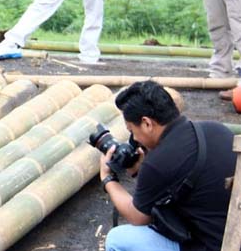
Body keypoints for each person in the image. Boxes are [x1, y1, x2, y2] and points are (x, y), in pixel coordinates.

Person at [100, 81, 235, 251]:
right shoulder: (217, 129)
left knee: (116, 239)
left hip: (209, 245)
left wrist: (108, 179)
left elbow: (138, 217)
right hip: (233, 234)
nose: (135, 139)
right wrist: (140, 172)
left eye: (132, 131)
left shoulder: (158, 162)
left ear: (147, 123)